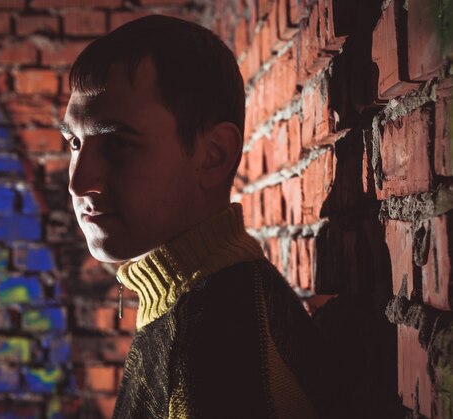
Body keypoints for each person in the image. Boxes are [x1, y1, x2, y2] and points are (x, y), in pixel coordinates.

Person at [61, 15, 326, 419]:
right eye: (75, 142)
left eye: (118, 143)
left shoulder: (219, 337)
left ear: (213, 155)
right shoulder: (194, 296)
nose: (79, 182)